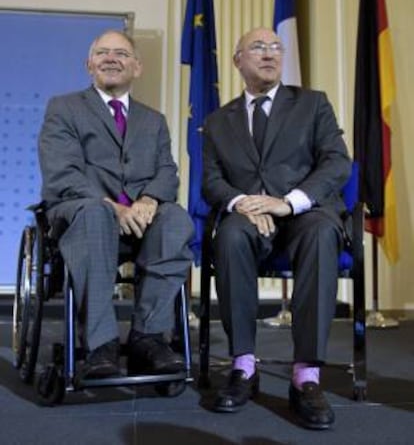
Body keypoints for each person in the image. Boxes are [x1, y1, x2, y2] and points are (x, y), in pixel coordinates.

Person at [202, 27, 352, 429]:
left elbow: (337, 163)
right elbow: (212, 181)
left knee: (322, 233)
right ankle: (243, 367)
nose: (269, 54)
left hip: (305, 212)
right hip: (252, 217)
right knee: (230, 234)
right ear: (238, 61)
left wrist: (289, 202)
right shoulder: (218, 121)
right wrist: (242, 203)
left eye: (275, 47)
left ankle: (306, 375)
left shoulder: (312, 104)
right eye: (257, 47)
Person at [39, 30, 194, 380]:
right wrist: (113, 207)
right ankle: (101, 344)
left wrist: (149, 200)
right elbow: (62, 173)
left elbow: (167, 172)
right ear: (89, 64)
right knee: (95, 214)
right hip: (82, 213)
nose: (112, 58)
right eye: (103, 53)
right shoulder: (63, 108)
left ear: (137, 67)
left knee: (175, 219)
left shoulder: (152, 120)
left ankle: (149, 336)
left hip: (141, 219)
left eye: (121, 54)